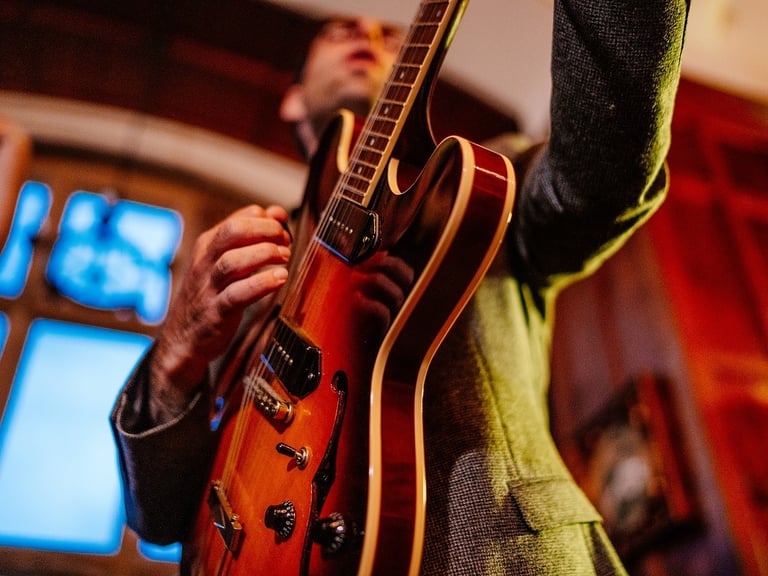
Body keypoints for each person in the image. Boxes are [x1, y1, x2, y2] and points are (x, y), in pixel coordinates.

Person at [111, 2, 690, 574]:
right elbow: (156, 516)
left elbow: (604, 171)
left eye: (388, 37)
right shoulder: (247, 260)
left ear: (410, 70)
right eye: (341, 31)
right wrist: (174, 357)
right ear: (290, 99)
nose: (367, 33)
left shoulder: (481, 191)